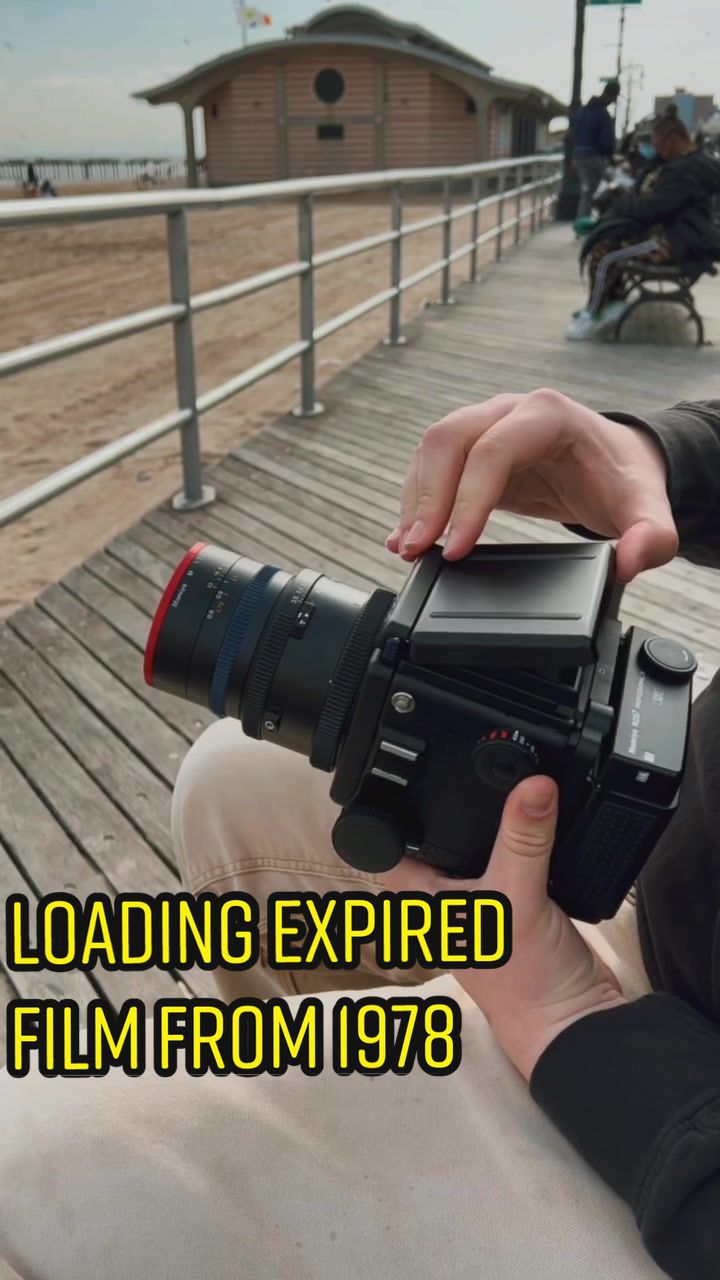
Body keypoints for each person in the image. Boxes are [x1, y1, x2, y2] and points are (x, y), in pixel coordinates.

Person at [3, 391, 720, 1278]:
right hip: (679, 854)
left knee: (21, 1178)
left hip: (674, 1130)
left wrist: (567, 1017)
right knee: (230, 778)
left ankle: (316, 1182)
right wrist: (669, 460)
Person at [567, 105, 720, 340]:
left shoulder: (688, 171)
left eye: (658, 145)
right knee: (607, 244)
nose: (656, 151)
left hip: (676, 242)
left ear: (672, 140)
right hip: (671, 234)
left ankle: (593, 315)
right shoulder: (681, 164)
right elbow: (646, 197)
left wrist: (623, 204)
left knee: (606, 255)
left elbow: (652, 209)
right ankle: (607, 306)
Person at [572, 79, 620, 219]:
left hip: (580, 156)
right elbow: (607, 140)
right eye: (614, 98)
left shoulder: (583, 111)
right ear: (611, 95)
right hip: (594, 156)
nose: (613, 101)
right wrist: (610, 158)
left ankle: (582, 220)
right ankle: (609, 217)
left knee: (587, 190)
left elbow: (575, 134)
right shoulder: (603, 114)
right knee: (616, 183)